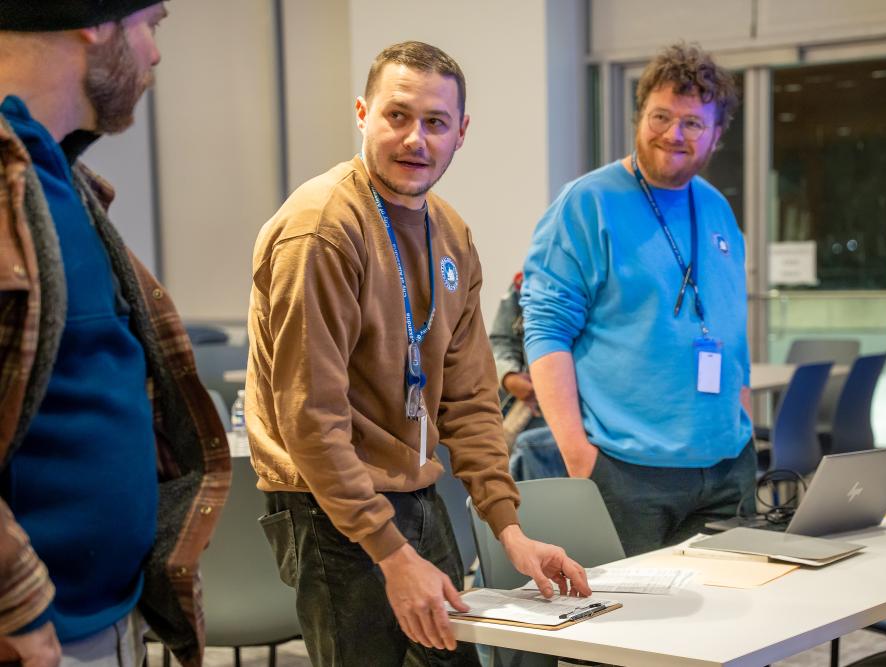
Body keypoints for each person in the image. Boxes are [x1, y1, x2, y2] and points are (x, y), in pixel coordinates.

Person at [246, 41, 590, 667]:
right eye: (397, 116)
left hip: (418, 495)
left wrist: (507, 528)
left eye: (435, 122)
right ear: (362, 114)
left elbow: (470, 398)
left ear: (461, 132)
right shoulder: (321, 228)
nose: (415, 139)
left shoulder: (450, 231)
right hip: (330, 508)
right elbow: (310, 419)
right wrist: (389, 552)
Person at [0, 3, 231, 667]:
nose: (155, 55)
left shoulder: (60, 179)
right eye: (150, 26)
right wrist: (18, 608)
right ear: (95, 20)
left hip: (106, 618)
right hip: (34, 635)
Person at [521, 42, 754, 557]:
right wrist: (579, 457)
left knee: (731, 630)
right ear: (638, 117)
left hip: (726, 465)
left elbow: (731, 322)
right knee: (630, 628)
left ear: (716, 135)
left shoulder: (716, 210)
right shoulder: (587, 204)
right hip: (626, 472)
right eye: (660, 116)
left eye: (693, 123)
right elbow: (545, 330)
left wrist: (743, 414)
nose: (673, 134)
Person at [489, 273, 566, 480]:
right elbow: (500, 341)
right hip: (534, 410)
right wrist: (509, 377)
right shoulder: (525, 282)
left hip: (594, 416)